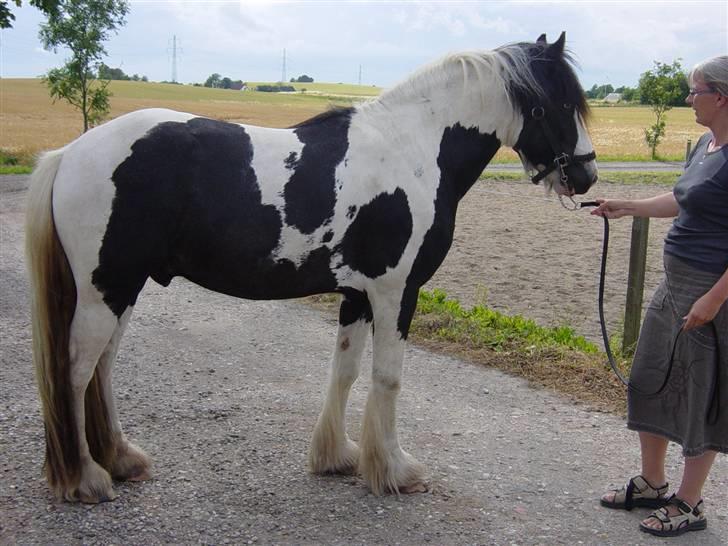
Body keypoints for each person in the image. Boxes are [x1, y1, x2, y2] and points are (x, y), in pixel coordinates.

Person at [594, 55, 728, 537]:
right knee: (649, 376)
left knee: (700, 395)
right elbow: (681, 200)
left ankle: (689, 504)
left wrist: (714, 299)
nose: (689, 99)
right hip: (675, 285)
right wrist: (626, 207)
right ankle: (652, 483)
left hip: (712, 293)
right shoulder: (704, 145)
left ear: (721, 95)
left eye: (695, 91)